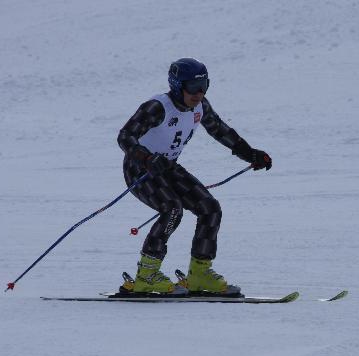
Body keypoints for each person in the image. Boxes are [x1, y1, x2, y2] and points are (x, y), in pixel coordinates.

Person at [117, 57, 272, 296]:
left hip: (167, 167)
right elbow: (125, 137)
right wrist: (146, 158)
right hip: (139, 169)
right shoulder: (157, 107)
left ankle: (199, 273)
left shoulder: (200, 106)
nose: (199, 93)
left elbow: (220, 130)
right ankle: (146, 275)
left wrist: (250, 154)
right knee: (172, 209)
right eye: (192, 87)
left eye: (204, 86)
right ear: (177, 85)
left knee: (210, 208)